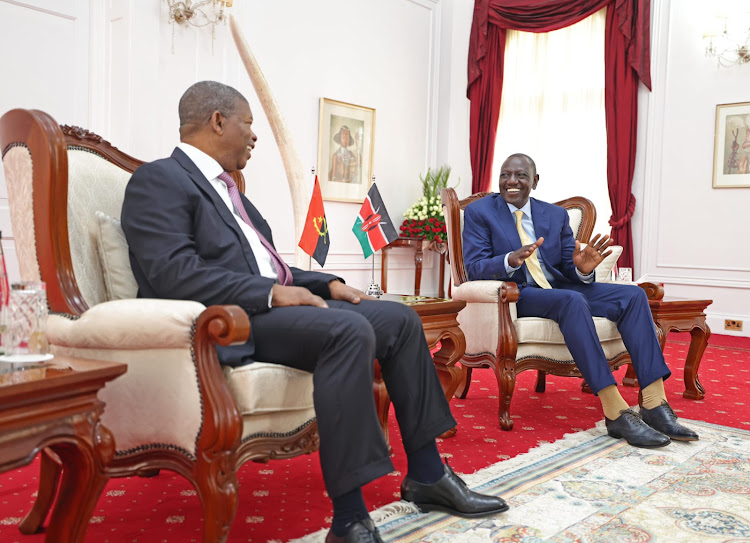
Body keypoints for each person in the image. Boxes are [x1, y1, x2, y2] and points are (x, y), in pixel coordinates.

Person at [121, 81, 508, 543]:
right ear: (218, 121)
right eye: (248, 123)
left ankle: (426, 474)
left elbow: (269, 266)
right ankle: (349, 518)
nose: (254, 135)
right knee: (347, 331)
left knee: (399, 320)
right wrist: (271, 294)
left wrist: (325, 283)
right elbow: (172, 274)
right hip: (226, 322)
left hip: (268, 307)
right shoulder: (158, 180)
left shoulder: (230, 191)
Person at [462, 153, 699, 449]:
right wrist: (509, 259)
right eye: (505, 175)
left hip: (560, 288)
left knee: (634, 295)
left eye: (521, 176)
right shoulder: (480, 212)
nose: (511, 181)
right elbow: (473, 267)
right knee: (571, 300)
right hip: (518, 293)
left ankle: (654, 403)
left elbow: (566, 268)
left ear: (535, 181)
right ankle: (615, 410)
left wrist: (581, 269)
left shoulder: (554, 215)